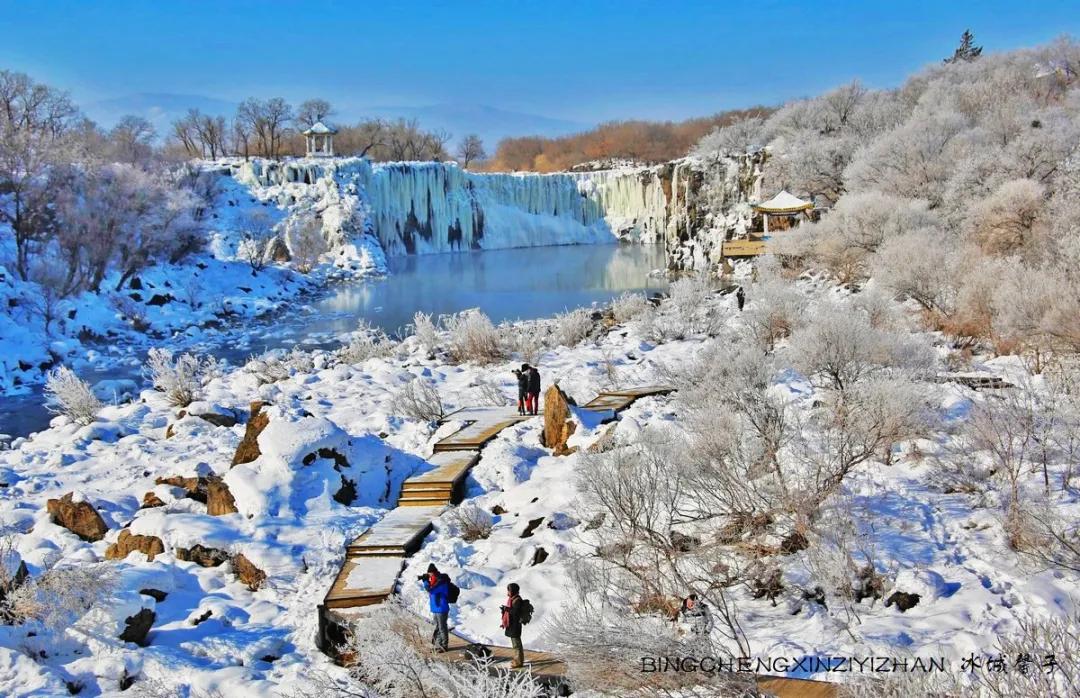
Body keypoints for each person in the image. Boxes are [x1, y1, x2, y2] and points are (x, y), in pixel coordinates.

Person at [422, 563, 451, 651]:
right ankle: (438, 645)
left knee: (442, 627)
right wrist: (428, 581)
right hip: (436, 608)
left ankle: (444, 646)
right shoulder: (434, 581)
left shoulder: (441, 581)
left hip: (441, 608)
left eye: (430, 574)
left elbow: (431, 590)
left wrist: (425, 581)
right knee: (438, 627)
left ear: (433, 573)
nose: (429, 575)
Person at [500, 582, 526, 668]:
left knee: (517, 645)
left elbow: (515, 613)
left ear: (513, 591)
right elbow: (511, 611)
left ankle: (519, 662)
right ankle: (517, 659)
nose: (507, 592)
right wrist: (504, 610)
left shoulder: (517, 600)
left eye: (509, 590)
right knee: (515, 644)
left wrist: (506, 609)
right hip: (512, 625)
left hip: (515, 626)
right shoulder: (512, 599)